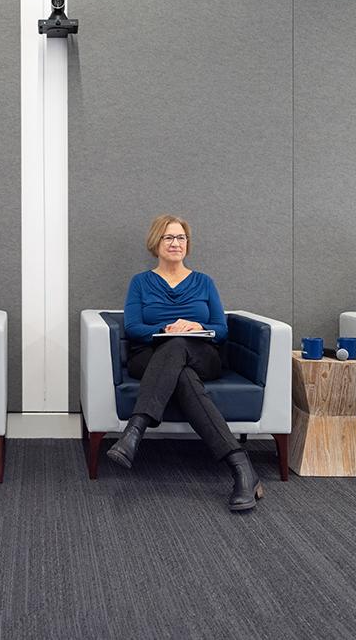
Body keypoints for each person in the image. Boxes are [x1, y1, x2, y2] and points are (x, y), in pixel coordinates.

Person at [106, 214, 265, 512]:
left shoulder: (204, 282)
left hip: (202, 355)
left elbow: (221, 329)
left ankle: (134, 431)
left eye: (181, 238)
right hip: (148, 356)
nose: (175, 243)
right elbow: (133, 327)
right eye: (168, 237)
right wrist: (166, 329)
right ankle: (242, 468)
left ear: (187, 244)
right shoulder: (140, 282)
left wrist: (195, 326)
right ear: (156, 243)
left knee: (179, 345)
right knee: (182, 372)